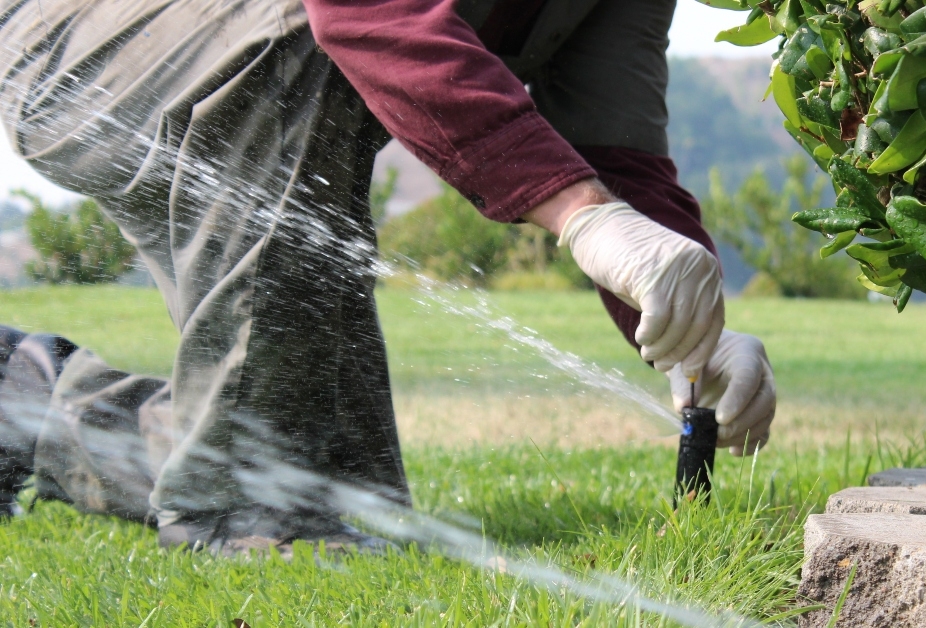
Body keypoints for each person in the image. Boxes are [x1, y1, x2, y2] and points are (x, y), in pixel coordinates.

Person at [0, 0, 776, 555]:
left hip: (267, 73)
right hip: (85, 44)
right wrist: (581, 215)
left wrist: (697, 332)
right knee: (298, 41)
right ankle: (239, 512)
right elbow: (360, 14)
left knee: (350, 494)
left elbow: (620, 161)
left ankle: (24, 399)